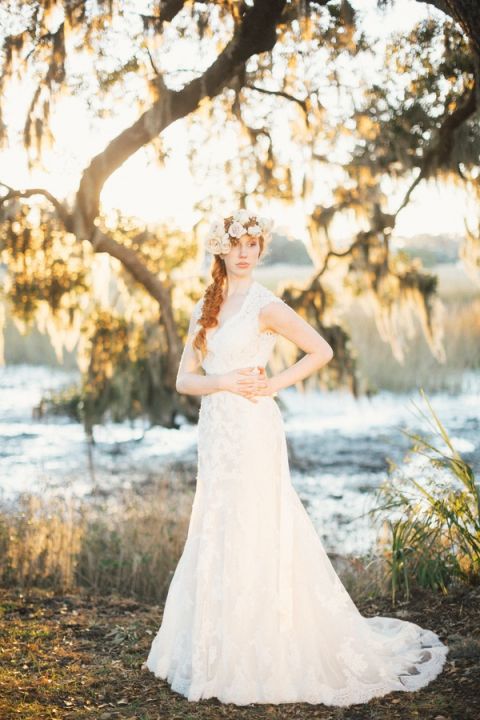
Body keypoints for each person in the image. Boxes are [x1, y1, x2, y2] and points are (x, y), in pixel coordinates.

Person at [143, 210, 448, 706]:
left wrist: (272, 383)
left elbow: (320, 350)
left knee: (258, 522)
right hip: (216, 430)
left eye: (253, 244)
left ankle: (267, 648)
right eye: (236, 243)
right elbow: (184, 380)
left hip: (254, 427)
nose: (245, 252)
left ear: (260, 251)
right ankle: (214, 649)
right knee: (218, 522)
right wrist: (221, 382)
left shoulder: (266, 305)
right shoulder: (207, 305)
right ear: (222, 249)